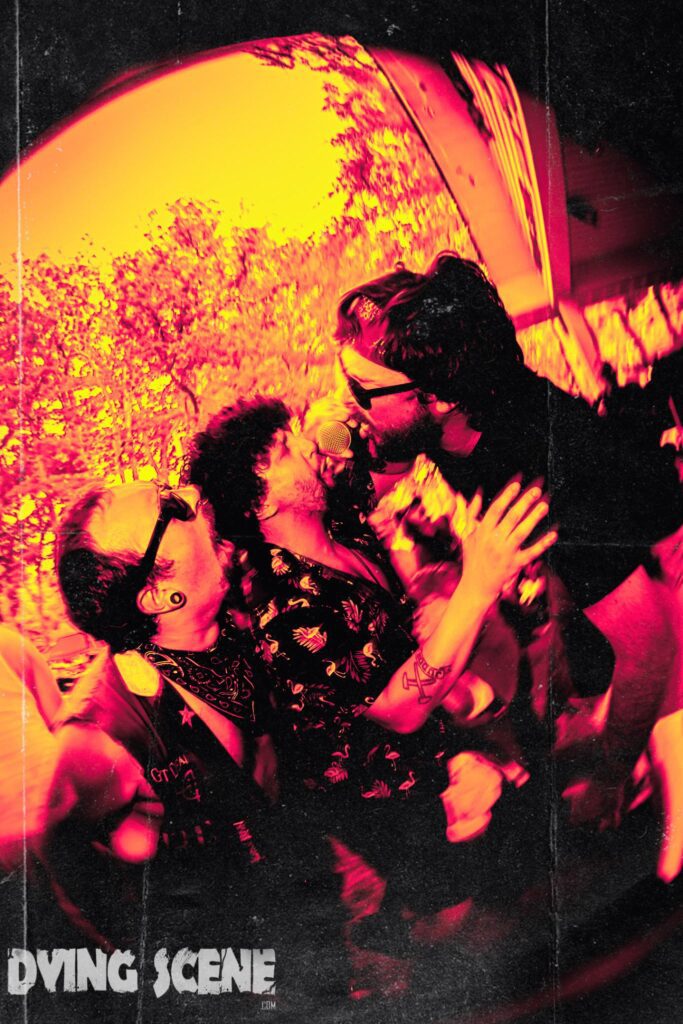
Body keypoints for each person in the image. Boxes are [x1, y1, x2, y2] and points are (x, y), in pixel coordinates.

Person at [332, 252, 683, 866]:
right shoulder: (452, 417)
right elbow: (379, 474)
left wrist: (606, 781)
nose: (350, 404)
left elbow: (649, 649)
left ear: (438, 399)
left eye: (363, 391)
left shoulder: (540, 469)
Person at [188, 397, 556, 938]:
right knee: (452, 915)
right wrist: (477, 585)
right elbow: (400, 709)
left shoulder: (339, 518)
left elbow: (392, 460)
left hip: (438, 747)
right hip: (383, 795)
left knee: (513, 861)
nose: (307, 446)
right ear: (260, 502)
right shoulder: (284, 611)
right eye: (286, 448)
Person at [35, 479, 341, 1019]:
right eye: (172, 507)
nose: (194, 494)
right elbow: (66, 877)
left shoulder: (244, 626)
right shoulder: (98, 735)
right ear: (158, 595)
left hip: (309, 935)